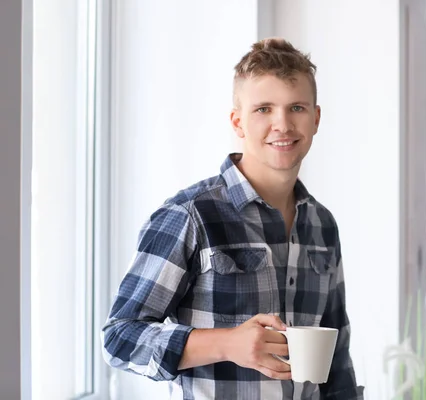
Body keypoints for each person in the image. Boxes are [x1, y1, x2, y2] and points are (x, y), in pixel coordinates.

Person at [101, 37, 364, 400]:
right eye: (264, 109)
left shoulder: (322, 225)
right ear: (237, 122)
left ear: (316, 118)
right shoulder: (189, 215)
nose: (282, 124)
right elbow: (119, 338)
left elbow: (337, 359)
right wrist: (227, 344)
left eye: (297, 108)